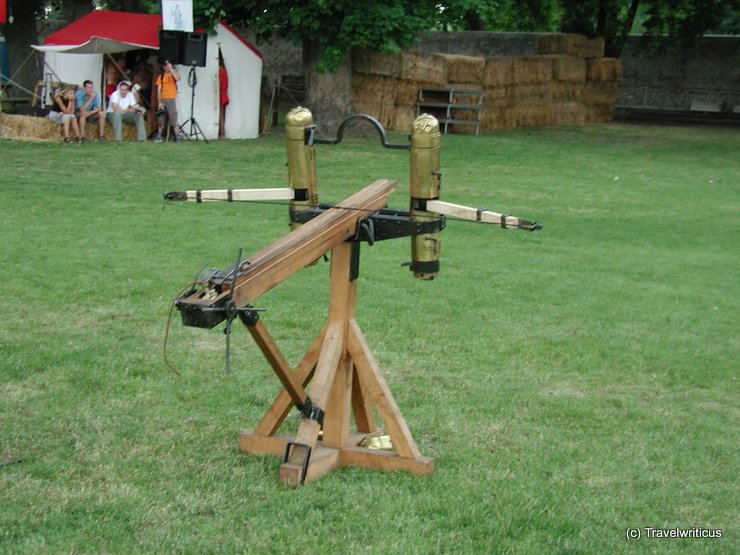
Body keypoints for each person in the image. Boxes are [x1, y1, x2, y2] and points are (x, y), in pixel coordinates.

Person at [154, 60, 183, 141]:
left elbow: (177, 78)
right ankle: (159, 135)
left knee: (173, 117)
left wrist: (172, 70)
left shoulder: (174, 74)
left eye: (169, 66)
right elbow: (159, 90)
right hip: (163, 99)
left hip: (171, 99)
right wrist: (159, 101)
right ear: (164, 67)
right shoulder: (161, 77)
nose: (168, 68)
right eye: (166, 66)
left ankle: (176, 136)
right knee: (161, 118)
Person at [218, 51, 229, 139]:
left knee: (220, 113)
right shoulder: (224, 70)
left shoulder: (219, 71)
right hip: (223, 92)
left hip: (220, 93)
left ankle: (222, 131)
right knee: (222, 113)